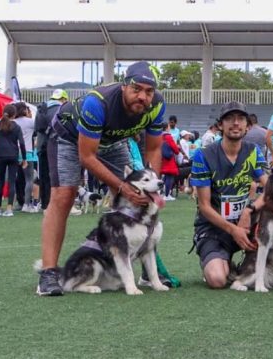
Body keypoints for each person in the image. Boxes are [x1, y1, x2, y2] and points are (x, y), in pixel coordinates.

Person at [36, 61, 166, 296]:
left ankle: (147, 266)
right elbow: (86, 156)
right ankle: (48, 274)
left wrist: (151, 190)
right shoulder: (98, 102)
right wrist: (122, 186)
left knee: (135, 198)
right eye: (136, 89)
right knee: (64, 196)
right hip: (68, 137)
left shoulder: (156, 106)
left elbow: (154, 150)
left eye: (149, 91)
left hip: (112, 141)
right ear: (124, 86)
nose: (143, 96)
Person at [191, 102, 267, 289]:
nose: (235, 123)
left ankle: (245, 263)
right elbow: (204, 207)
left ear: (247, 126)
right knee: (217, 280)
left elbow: (271, 189)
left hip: (246, 223)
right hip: (214, 228)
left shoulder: (253, 151)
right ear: (220, 125)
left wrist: (249, 210)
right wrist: (233, 231)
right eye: (229, 119)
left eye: (240, 119)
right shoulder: (204, 155)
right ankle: (220, 262)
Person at [0, 104, 27, 217]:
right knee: (11, 182)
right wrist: (24, 159)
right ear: (14, 114)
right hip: (13, 156)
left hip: (1, 156)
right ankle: (9, 209)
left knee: (0, 182)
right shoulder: (16, 127)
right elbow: (21, 143)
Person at [34, 89, 68, 211]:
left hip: (41, 147)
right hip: (56, 146)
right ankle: (57, 204)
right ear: (63, 99)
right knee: (57, 176)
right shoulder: (62, 109)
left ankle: (45, 204)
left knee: (43, 176)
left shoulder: (41, 108)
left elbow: (36, 129)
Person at [13, 102, 38, 212]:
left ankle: (17, 202)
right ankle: (26, 205)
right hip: (27, 153)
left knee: (14, 180)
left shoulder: (12, 122)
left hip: (14, 153)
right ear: (24, 110)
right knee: (29, 180)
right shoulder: (30, 122)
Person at [160, 122, 180, 201]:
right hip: (169, 159)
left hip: (162, 159)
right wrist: (177, 149)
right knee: (170, 177)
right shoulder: (168, 137)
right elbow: (175, 148)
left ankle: (162, 193)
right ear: (166, 128)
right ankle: (167, 195)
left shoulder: (160, 136)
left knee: (165, 177)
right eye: (168, 127)